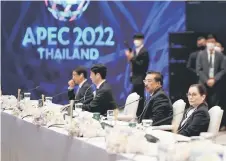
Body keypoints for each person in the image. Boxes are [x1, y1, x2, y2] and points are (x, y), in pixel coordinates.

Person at [196, 34, 225, 108]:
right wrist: (206, 80)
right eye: (209, 42)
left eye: (212, 42)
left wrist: (214, 79)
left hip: (216, 84)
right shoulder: (201, 54)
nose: (211, 44)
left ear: (215, 43)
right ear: (206, 43)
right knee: (202, 105)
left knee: (215, 106)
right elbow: (198, 69)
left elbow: (223, 69)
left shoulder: (220, 55)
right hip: (203, 84)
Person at [125, 33, 150, 117]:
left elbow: (141, 65)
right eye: (135, 40)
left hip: (140, 77)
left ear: (142, 40)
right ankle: (136, 113)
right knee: (136, 96)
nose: (136, 41)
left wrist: (132, 58)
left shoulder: (144, 51)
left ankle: (140, 114)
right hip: (135, 77)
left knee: (138, 96)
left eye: (138, 39)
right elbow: (134, 64)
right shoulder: (135, 51)